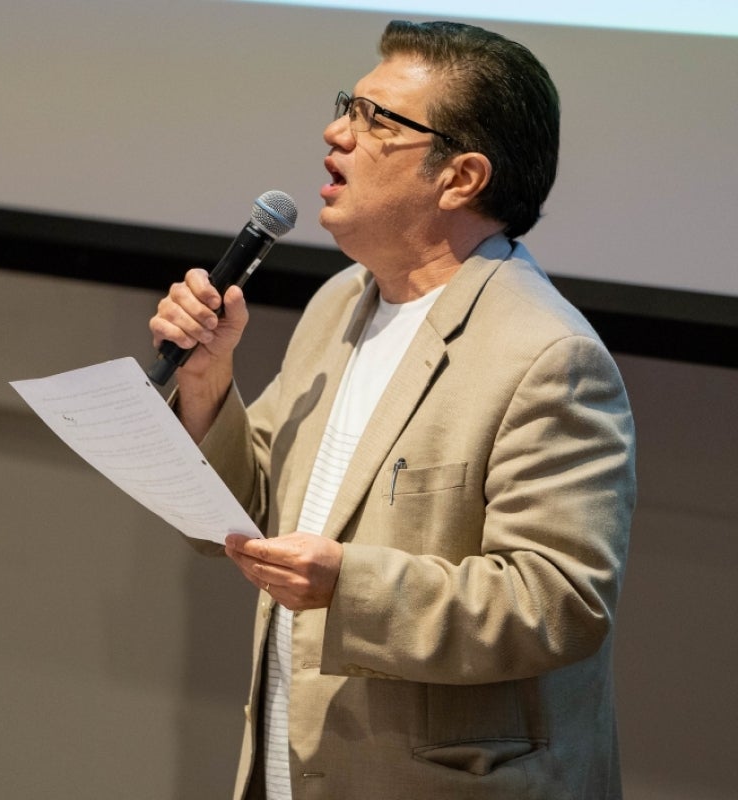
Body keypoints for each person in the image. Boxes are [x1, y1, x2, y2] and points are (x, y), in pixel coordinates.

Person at [149, 19, 636, 800]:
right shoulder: (341, 302)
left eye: (376, 119)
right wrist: (207, 382)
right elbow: (252, 514)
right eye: (349, 104)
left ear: (461, 177)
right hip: (294, 769)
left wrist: (350, 585)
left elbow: (559, 600)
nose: (335, 132)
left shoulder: (549, 357)